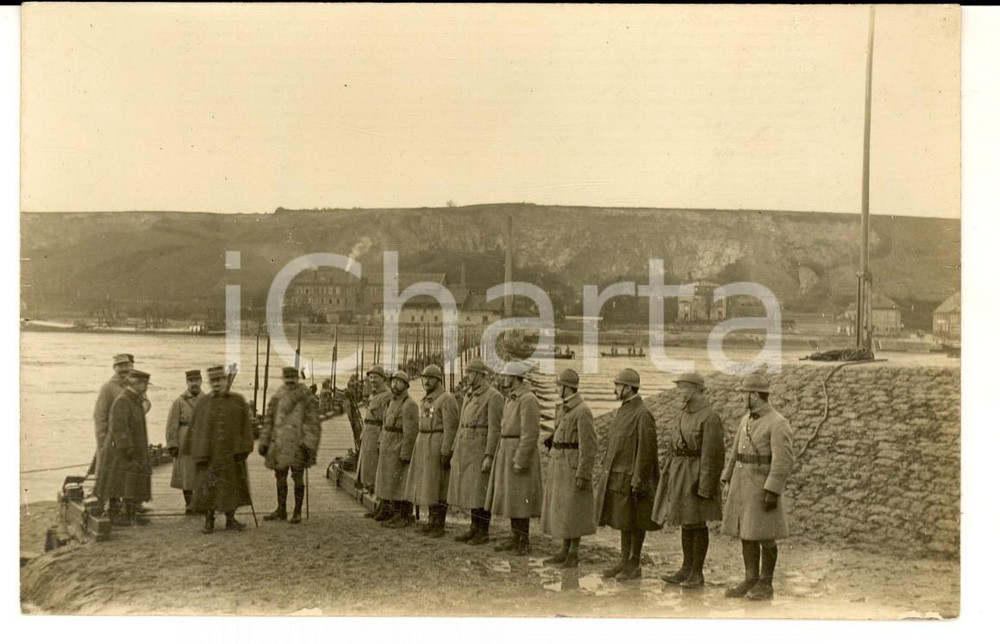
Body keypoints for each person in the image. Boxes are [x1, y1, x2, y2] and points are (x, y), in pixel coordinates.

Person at [720, 373, 794, 600]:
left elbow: (783, 461)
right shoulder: (746, 420)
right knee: (746, 533)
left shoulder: (778, 422)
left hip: (761, 487)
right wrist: (727, 478)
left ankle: (766, 584)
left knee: (765, 536)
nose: (742, 397)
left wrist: (772, 490)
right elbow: (735, 453)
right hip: (742, 485)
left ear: (754, 395)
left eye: (744, 394)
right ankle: (750, 579)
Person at [651, 372, 726, 588]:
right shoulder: (682, 414)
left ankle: (697, 573)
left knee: (697, 523)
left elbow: (713, 455)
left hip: (696, 474)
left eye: (683, 388)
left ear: (696, 390)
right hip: (680, 472)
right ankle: (686, 568)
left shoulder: (710, 417)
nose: (680, 392)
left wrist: (705, 486)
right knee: (686, 521)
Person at [594, 368, 661, 579]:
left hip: (633, 479)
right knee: (624, 520)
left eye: (618, 385)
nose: (615, 389)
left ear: (628, 388)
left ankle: (634, 564)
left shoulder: (642, 414)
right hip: (620, 477)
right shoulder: (625, 410)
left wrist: (639, 479)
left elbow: (647, 450)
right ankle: (624, 561)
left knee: (636, 520)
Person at [540, 369, 597, 568]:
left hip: (571, 467)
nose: (557, 389)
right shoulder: (564, 408)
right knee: (563, 509)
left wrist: (583, 473)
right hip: (559, 464)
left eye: (559, 386)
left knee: (574, 510)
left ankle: (573, 553)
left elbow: (588, 446)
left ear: (567, 388)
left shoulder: (582, 411)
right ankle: (564, 550)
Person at [485, 361, 543, 556]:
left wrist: (521, 459)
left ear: (515, 378)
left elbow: (530, 433)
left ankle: (523, 540)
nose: (503, 378)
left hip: (517, 450)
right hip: (506, 449)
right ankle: (514, 536)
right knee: (511, 497)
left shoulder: (527, 399)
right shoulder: (511, 398)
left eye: (506, 375)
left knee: (520, 499)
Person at [190, 365, 255, 534]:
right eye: (213, 381)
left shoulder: (238, 400)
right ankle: (209, 521)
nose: (216, 383)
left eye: (219, 380)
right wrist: (198, 452)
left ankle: (230, 519)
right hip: (209, 455)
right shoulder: (203, 402)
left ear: (226, 381)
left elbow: (246, 427)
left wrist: (245, 448)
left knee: (231, 487)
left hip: (231, 454)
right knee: (209, 488)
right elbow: (195, 428)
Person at [447, 357, 503, 545]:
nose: (468, 376)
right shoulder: (470, 395)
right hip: (466, 449)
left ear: (480, 375)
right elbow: (462, 424)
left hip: (479, 449)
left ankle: (483, 531)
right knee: (471, 490)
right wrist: (454, 448)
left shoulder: (493, 396)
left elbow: (495, 429)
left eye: (470, 373)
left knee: (481, 491)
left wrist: (489, 455)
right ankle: (473, 528)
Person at [258, 367, 322, 524]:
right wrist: (264, 441)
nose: (290, 380)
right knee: (280, 476)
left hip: (298, 443)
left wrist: (308, 443)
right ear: (283, 378)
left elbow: (313, 422)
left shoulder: (306, 396)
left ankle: (297, 512)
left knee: (297, 476)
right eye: (287, 377)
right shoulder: (279, 394)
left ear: (297, 378)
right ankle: (281, 510)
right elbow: (269, 420)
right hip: (279, 442)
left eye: (293, 377)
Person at [405, 364, 460, 537]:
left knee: (439, 485)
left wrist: (445, 450)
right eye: (424, 378)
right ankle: (431, 521)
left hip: (436, 443)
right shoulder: (427, 400)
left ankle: (439, 524)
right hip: (424, 443)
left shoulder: (446, 399)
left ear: (438, 380)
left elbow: (451, 427)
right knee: (427, 485)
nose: (426, 381)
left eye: (430, 378)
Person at [94, 370, 153, 527]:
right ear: (137, 384)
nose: (146, 387)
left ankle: (131, 514)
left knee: (130, 482)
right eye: (144, 384)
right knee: (119, 483)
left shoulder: (133, 400)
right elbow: (119, 427)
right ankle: (117, 515)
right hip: (120, 451)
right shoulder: (123, 401)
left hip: (130, 449)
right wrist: (128, 448)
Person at [375, 370, 420, 528]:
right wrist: (380, 441)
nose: (394, 385)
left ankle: (403, 514)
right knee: (387, 480)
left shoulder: (410, 405)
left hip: (398, 446)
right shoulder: (391, 402)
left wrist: (406, 453)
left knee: (400, 482)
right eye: (393, 382)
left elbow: (411, 432)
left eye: (399, 382)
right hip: (388, 444)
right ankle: (388, 510)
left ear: (406, 385)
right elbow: (385, 425)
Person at [165, 369, 205, 513]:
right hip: (184, 440)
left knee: (201, 472)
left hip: (202, 439)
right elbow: (172, 424)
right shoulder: (179, 401)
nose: (194, 384)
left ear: (201, 381)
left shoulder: (207, 400)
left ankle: (201, 503)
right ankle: (189, 504)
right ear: (187, 382)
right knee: (186, 473)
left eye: (196, 380)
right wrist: (172, 444)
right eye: (191, 381)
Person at [358, 365, 392, 520]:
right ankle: (376, 505)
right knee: (369, 470)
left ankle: (382, 506)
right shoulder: (374, 395)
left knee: (377, 469)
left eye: (375, 377)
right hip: (369, 432)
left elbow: (387, 420)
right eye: (370, 377)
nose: (372, 380)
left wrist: (381, 439)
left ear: (383, 379)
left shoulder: (386, 396)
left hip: (377, 433)